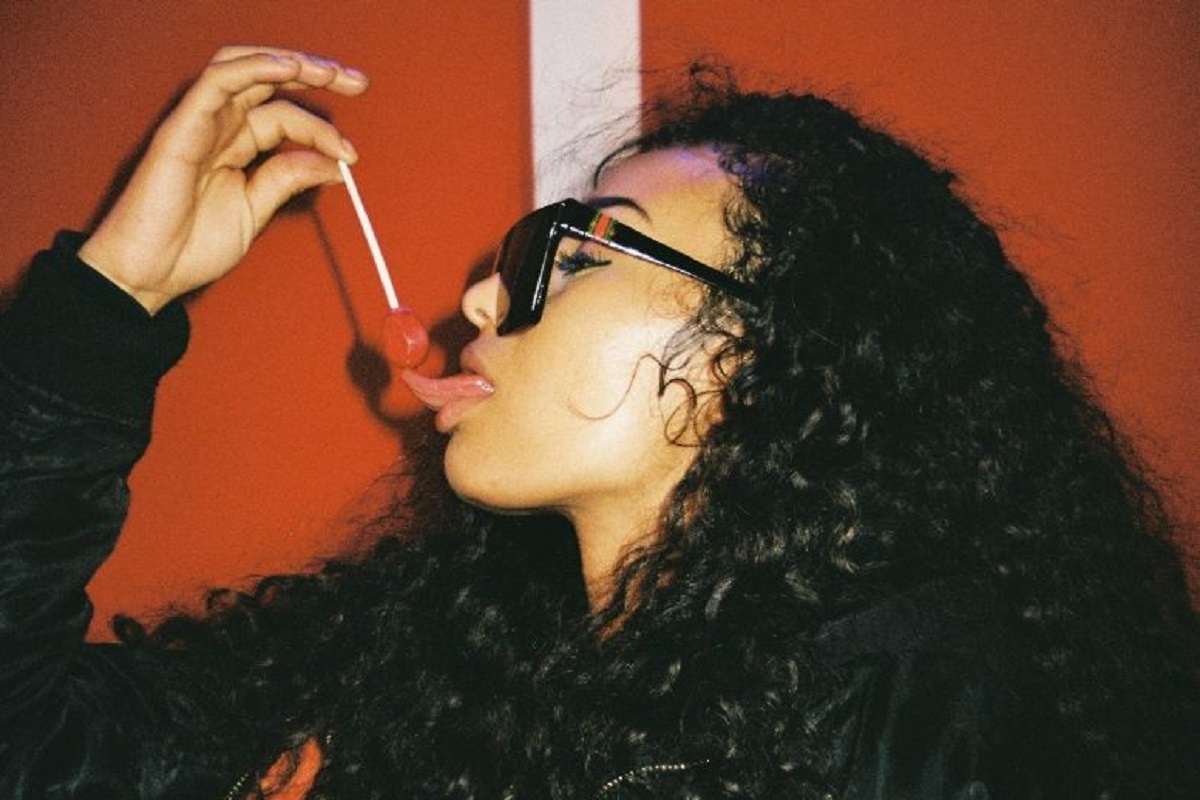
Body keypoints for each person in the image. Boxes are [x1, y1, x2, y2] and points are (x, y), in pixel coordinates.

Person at [1, 45, 1196, 799]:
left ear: (767, 348)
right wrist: (110, 300)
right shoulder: (426, 656)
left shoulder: (914, 718)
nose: (481, 299)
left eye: (576, 254)